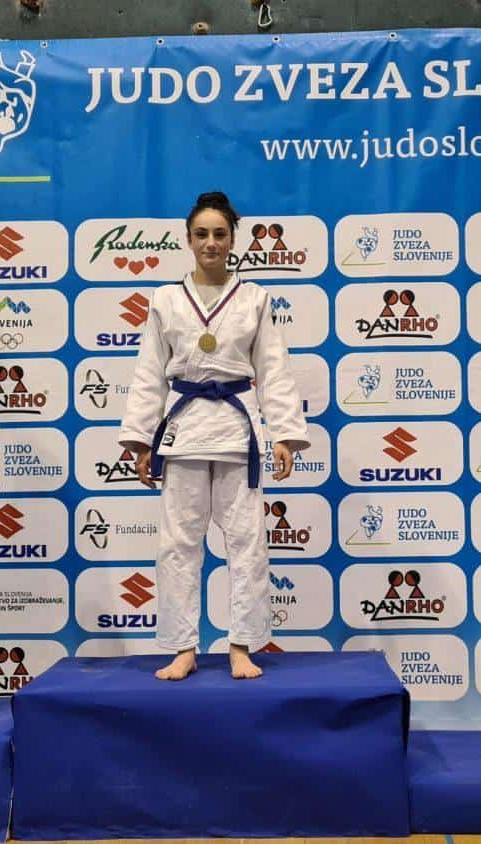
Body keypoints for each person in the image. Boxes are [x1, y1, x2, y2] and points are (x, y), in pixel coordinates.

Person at [119, 191, 308, 681]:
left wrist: (284, 434)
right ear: (188, 239)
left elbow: (274, 368)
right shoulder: (165, 299)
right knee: (178, 544)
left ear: (232, 240)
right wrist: (139, 441)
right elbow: (149, 372)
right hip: (183, 431)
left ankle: (241, 645)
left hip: (236, 429)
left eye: (219, 234)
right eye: (201, 234)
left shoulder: (255, 298)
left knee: (247, 542)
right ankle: (183, 647)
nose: (210, 242)